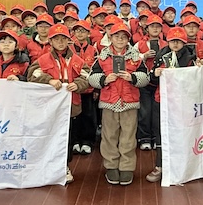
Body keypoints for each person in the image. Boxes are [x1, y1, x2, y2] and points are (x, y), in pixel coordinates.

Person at [88, 23, 149, 186]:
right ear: (111, 38)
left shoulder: (136, 57)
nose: (120, 40)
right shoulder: (102, 57)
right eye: (117, 36)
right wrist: (104, 80)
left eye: (123, 37)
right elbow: (91, 77)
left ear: (128, 39)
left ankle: (127, 167)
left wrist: (133, 78)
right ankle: (111, 166)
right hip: (109, 102)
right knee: (109, 136)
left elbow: (146, 77)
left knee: (128, 136)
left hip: (130, 102)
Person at [28, 24, 90, 184]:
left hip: (71, 107)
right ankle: (46, 166)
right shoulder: (43, 60)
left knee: (67, 138)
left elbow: (86, 76)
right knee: (48, 136)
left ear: (69, 40)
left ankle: (65, 167)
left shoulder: (77, 60)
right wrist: (48, 80)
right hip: (48, 108)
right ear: (50, 41)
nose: (61, 42)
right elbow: (32, 75)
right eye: (56, 39)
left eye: (64, 38)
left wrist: (78, 84)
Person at [146, 27, 197, 182]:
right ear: (167, 41)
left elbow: (194, 81)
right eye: (172, 41)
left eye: (179, 41)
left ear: (184, 42)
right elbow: (151, 80)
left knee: (182, 132)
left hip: (182, 102)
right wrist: (155, 74)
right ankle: (160, 166)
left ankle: (181, 167)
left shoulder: (190, 57)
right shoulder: (161, 55)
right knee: (160, 133)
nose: (175, 44)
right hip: (161, 99)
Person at [136, 15, 167, 151]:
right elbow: (132, 59)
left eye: (158, 26)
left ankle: (157, 137)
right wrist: (144, 56)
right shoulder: (139, 44)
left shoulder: (166, 44)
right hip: (144, 83)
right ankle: (145, 138)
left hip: (161, 83)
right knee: (145, 111)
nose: (155, 29)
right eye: (152, 26)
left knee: (158, 112)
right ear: (146, 28)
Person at [70, 20, 99, 155]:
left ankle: (87, 141)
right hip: (74, 88)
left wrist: (96, 89)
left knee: (88, 115)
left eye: (83, 31)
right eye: (77, 31)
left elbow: (97, 70)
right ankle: (75, 141)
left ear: (88, 33)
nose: (80, 33)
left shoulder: (93, 50)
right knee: (75, 116)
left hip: (89, 89)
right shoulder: (69, 49)